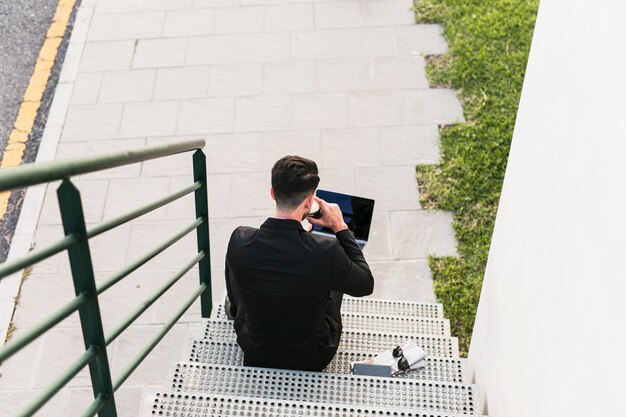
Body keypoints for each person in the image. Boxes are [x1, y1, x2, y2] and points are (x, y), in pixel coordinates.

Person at [225, 155, 374, 371]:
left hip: (255, 349)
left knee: (242, 265)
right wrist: (340, 227)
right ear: (309, 202)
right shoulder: (326, 250)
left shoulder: (240, 239)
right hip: (311, 357)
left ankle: (231, 309)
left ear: (272, 193)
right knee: (333, 271)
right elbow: (365, 285)